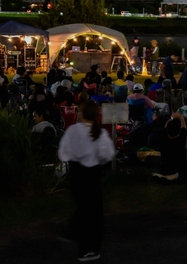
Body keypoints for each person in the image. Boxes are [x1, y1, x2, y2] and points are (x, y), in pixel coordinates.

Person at [58, 100, 114, 262]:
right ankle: (89, 248)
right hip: (92, 174)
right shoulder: (99, 132)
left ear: (81, 114)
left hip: (76, 173)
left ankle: (74, 232)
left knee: (82, 207)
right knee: (94, 214)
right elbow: (107, 154)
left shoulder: (73, 131)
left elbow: (63, 153)